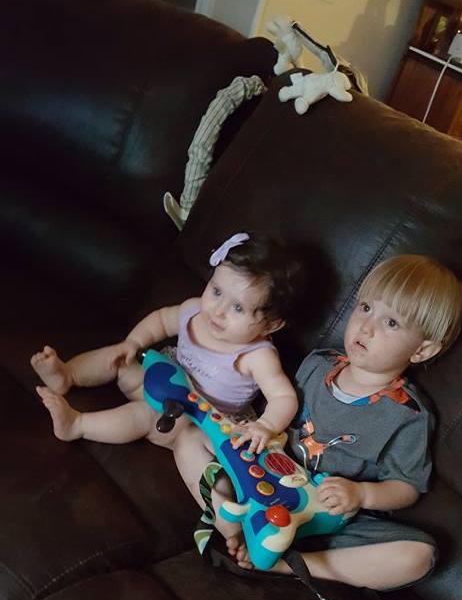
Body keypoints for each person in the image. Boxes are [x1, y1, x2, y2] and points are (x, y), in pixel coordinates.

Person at [31, 232, 304, 541]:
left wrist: (266, 425)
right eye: (216, 291)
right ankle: (67, 375)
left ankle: (78, 425)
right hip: (162, 377)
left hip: (193, 418)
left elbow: (284, 396)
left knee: (148, 417)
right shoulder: (195, 311)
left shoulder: (257, 356)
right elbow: (161, 321)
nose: (218, 310)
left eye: (238, 308)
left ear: (272, 325)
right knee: (120, 358)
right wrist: (133, 342)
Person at [226, 253, 462, 592]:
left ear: (422, 351)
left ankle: (288, 565)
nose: (366, 326)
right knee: (201, 439)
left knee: (418, 556)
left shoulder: (408, 416)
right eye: (365, 307)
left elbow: (406, 487)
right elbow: (275, 418)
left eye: (391, 323)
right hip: (269, 485)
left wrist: (361, 494)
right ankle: (240, 529)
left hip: (333, 520)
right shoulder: (317, 364)